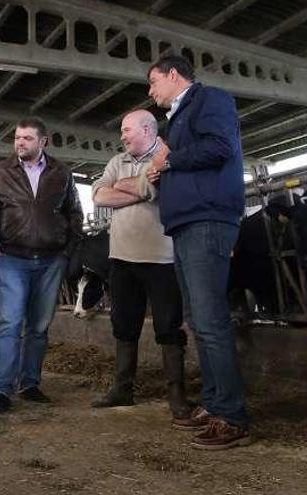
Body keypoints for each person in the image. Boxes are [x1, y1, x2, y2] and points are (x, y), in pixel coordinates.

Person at [145, 55, 251, 450]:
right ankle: (215, 402)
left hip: (207, 218)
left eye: (154, 81)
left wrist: (168, 159)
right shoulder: (181, 114)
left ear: (174, 75)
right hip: (188, 221)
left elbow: (220, 147)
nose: (151, 91)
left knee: (210, 321)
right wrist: (163, 169)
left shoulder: (211, 99)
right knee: (196, 320)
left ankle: (232, 416)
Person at [90, 109, 191, 424]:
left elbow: (162, 189)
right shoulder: (116, 162)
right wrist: (143, 186)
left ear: (148, 129)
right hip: (121, 258)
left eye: (126, 130)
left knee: (168, 326)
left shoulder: (168, 154)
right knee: (123, 323)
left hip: (162, 257)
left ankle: (176, 394)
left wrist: (125, 187)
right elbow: (98, 194)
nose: (122, 136)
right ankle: (123, 388)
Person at [0, 117, 83, 413]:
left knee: (39, 325)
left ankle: (30, 383)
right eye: (17, 138)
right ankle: (1, 388)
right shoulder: (0, 171)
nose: (20, 143)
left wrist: (67, 251)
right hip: (11, 258)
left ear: (43, 142)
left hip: (51, 260)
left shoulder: (61, 173)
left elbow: (75, 212)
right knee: (10, 322)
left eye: (27, 138)